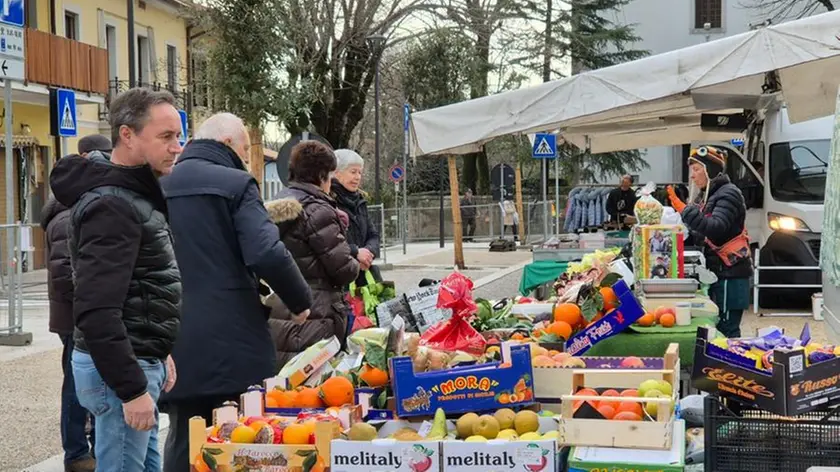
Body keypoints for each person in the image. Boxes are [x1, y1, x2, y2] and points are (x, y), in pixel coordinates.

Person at [159, 113, 312, 472]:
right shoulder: (236, 183)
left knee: (184, 430)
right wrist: (299, 301)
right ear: (227, 143)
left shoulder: (158, 183)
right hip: (231, 332)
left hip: (172, 329)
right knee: (238, 433)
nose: (245, 158)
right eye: (245, 150)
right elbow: (266, 251)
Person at [49, 88, 181, 471]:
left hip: (136, 359)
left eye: (178, 135)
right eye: (166, 137)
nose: (177, 147)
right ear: (127, 135)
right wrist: (132, 387)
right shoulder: (113, 205)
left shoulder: (131, 195)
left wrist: (159, 349)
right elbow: (96, 309)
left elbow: (138, 288)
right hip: (121, 373)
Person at [41, 134, 111, 472]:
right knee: (76, 387)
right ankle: (77, 454)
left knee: (85, 383)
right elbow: (66, 274)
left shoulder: (73, 212)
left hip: (77, 316)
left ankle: (88, 449)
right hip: (76, 319)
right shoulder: (69, 217)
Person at [265, 141, 360, 366]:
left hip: (282, 307)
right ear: (321, 175)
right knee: (318, 384)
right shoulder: (319, 210)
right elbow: (344, 270)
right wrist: (355, 258)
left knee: (287, 384)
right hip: (317, 312)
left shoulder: (278, 205)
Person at [668, 146, 752, 338]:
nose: (692, 176)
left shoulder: (728, 193)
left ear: (711, 170)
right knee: (717, 329)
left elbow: (715, 227)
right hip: (718, 273)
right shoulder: (707, 195)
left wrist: (685, 211)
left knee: (727, 330)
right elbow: (699, 232)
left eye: (697, 169)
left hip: (730, 274)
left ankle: (730, 367)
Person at [331, 149, 381, 285]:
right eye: (353, 172)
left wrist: (368, 254)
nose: (358, 177)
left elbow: (374, 235)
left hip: (365, 278)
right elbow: (329, 243)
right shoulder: (328, 202)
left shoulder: (360, 201)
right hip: (341, 281)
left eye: (360, 172)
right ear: (337, 173)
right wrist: (355, 253)